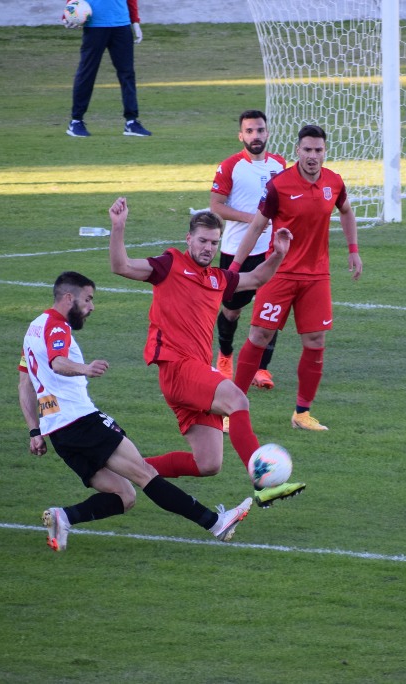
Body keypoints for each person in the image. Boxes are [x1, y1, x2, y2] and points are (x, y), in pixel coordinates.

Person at [19, 271, 251, 551]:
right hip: (80, 421)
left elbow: (25, 383)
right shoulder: (57, 327)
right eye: (88, 299)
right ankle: (216, 523)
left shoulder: (33, 328)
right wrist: (85, 368)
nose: (92, 307)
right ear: (68, 298)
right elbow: (57, 362)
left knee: (124, 495)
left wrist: (34, 430)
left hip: (58, 432)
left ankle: (63, 517)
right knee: (145, 473)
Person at [107, 198, 306, 508]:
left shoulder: (218, 279)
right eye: (202, 241)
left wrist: (278, 254)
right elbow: (121, 266)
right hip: (177, 368)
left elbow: (256, 278)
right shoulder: (169, 265)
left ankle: (118, 468)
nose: (208, 248)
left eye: (214, 242)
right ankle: (263, 484)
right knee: (238, 400)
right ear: (189, 239)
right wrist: (118, 227)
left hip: (195, 374)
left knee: (208, 463)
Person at [229, 124, 362, 432]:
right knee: (259, 336)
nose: (312, 156)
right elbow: (257, 226)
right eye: (307, 150)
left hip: (317, 277)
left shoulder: (334, 182)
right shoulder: (280, 185)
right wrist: (235, 268)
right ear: (297, 151)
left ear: (325, 152)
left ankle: (302, 414)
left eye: (318, 150)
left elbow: (346, 211)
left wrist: (353, 250)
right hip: (279, 274)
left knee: (316, 341)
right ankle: (229, 410)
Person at [210, 110, 288, 391]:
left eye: (260, 130)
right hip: (237, 251)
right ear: (241, 135)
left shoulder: (280, 164)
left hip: (271, 251)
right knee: (232, 311)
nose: (256, 136)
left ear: (268, 133)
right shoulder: (230, 166)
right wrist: (254, 219)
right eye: (250, 131)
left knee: (270, 309)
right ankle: (225, 354)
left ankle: (262, 369)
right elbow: (216, 206)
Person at [66, 0, 151, 138]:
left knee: (127, 74)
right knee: (87, 73)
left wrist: (135, 21)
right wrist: (69, 13)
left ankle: (131, 122)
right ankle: (76, 121)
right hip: (94, 26)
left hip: (121, 25)